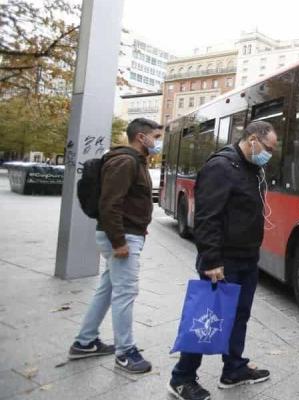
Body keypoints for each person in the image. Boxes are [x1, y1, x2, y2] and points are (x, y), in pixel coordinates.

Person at [168, 121, 278, 400]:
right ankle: (182, 378)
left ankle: (234, 369)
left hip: (246, 259)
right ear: (253, 140)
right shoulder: (221, 167)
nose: (270, 154)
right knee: (207, 317)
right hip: (222, 261)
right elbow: (207, 217)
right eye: (268, 148)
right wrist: (211, 260)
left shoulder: (252, 168)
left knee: (239, 315)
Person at [67, 118, 163, 374]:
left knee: (108, 290)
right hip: (121, 238)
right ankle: (125, 352)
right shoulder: (126, 161)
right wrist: (119, 241)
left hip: (126, 235)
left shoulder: (135, 161)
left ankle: (84, 342)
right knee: (125, 293)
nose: (158, 142)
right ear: (141, 137)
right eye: (156, 136)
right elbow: (110, 204)